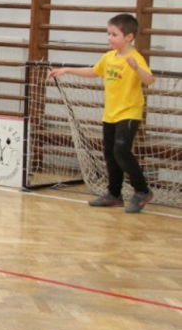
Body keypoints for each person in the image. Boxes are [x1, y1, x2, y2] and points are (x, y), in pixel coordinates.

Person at [48, 13, 155, 214]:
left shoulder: (135, 58)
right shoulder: (109, 57)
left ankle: (142, 191)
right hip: (110, 114)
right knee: (110, 155)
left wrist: (136, 69)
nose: (109, 38)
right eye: (108, 34)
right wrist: (67, 70)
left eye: (114, 34)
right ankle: (114, 194)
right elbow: (94, 71)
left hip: (129, 113)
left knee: (121, 151)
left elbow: (149, 80)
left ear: (129, 37)